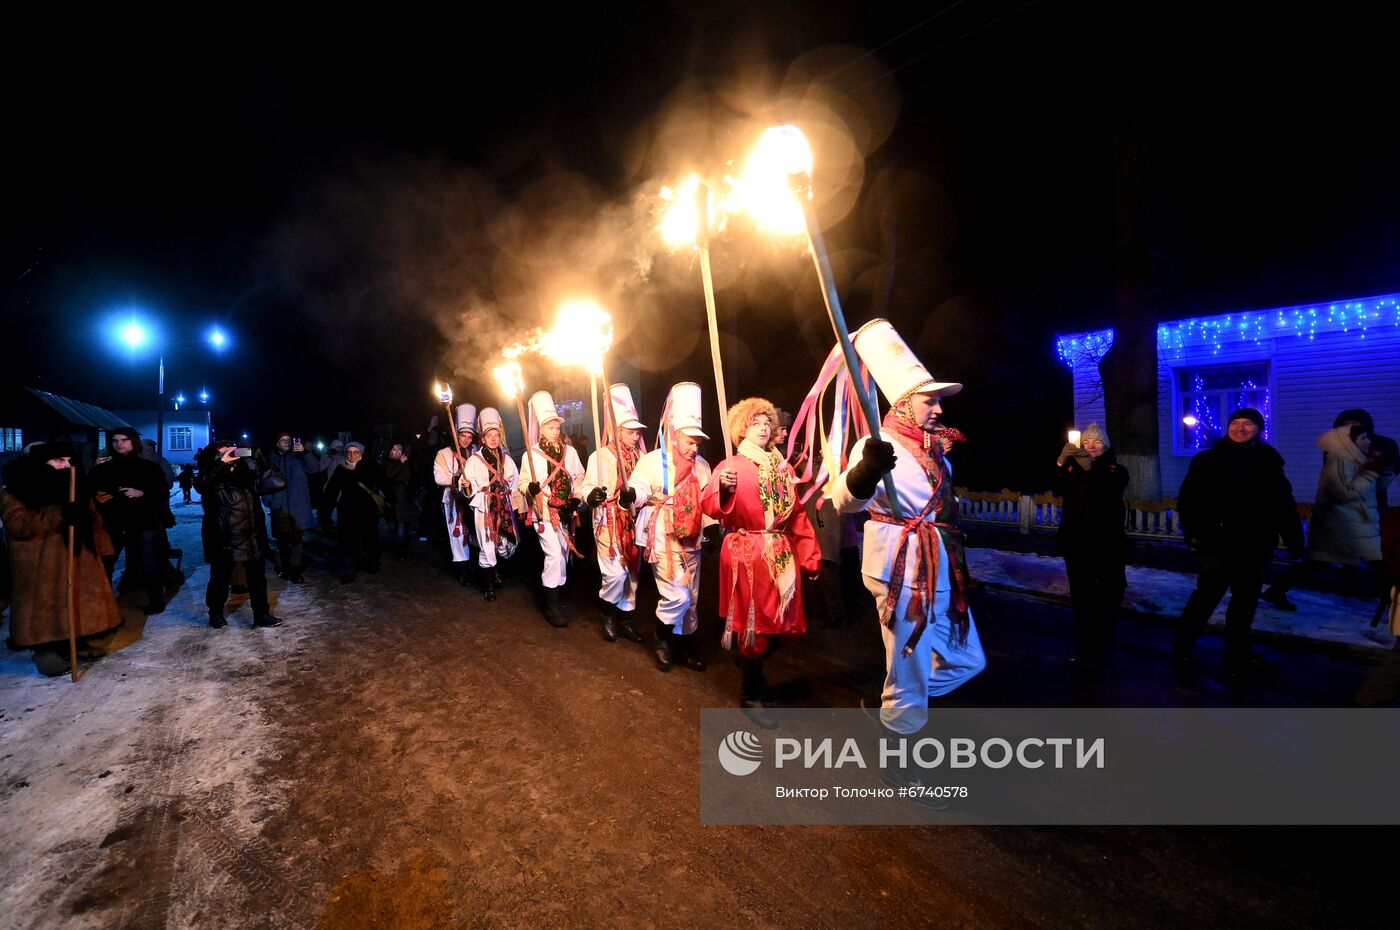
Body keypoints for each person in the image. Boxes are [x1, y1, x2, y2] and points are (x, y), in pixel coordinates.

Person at [830, 320, 984, 734]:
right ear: (903, 405)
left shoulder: (940, 455)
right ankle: (902, 744)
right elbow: (844, 501)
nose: (939, 409)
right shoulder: (879, 446)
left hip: (939, 567)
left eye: (938, 401)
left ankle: (896, 701)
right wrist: (867, 469)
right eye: (929, 401)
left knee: (969, 659)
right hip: (900, 570)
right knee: (910, 666)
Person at [702, 397, 822, 706]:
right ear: (742, 429)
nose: (763, 428)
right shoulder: (730, 467)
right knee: (754, 624)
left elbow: (796, 514)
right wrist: (725, 489)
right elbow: (711, 507)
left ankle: (747, 661)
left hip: (780, 552)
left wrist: (810, 557)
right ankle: (751, 690)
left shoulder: (779, 468)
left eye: (767, 423)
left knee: (789, 624)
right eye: (755, 423)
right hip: (747, 553)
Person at [1171, 407, 1304, 678]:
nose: (1240, 428)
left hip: (1254, 545)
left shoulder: (1268, 460)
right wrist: (1194, 533)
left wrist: (1294, 539)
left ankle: (1238, 655)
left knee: (1245, 603)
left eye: (1248, 424)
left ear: (1259, 428)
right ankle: (1180, 650)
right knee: (1206, 598)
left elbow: (1283, 503)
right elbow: (1189, 500)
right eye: (1235, 423)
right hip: (1218, 544)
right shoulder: (1209, 459)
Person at [1, 442, 122, 676]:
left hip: (76, 557)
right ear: (42, 464)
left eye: (68, 460)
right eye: (59, 461)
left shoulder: (75, 486)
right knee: (44, 607)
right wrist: (60, 513)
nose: (66, 465)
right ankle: (44, 649)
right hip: (39, 563)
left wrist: (86, 517)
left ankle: (75, 640)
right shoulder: (16, 489)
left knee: (76, 600)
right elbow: (19, 524)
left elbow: (94, 518)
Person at [626, 382, 713, 671]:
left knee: (693, 595)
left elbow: (708, 499)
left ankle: (687, 642)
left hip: (692, 538)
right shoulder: (654, 460)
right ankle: (662, 637)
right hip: (662, 533)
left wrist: (712, 525)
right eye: (690, 441)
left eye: (698, 443)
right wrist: (632, 494)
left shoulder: (703, 465)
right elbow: (638, 487)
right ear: (676, 437)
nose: (694, 448)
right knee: (676, 592)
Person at [1262, 423, 1387, 611]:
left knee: (1317, 563)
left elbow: (1371, 489)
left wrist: (1383, 471)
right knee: (1381, 564)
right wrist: (1371, 472)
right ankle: (1393, 605)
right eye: (1363, 438)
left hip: (1352, 523)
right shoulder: (1339, 464)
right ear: (1349, 443)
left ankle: (1277, 590)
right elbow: (1345, 494)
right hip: (1339, 524)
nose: (1369, 442)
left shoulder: (1355, 460)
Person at [1053, 423, 1130, 665]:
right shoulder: (1071, 469)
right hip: (1077, 542)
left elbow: (1111, 487)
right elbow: (1056, 484)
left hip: (1109, 543)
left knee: (1112, 589)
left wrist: (1091, 468)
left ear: (1105, 446)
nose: (1091, 446)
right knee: (1082, 592)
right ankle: (1085, 640)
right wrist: (1061, 461)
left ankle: (1104, 632)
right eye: (1086, 442)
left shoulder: (1116, 469)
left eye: (1096, 442)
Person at [578, 384, 648, 643]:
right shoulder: (600, 455)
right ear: (618, 431)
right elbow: (586, 486)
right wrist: (591, 495)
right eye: (630, 432)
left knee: (632, 571)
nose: (634, 436)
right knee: (615, 572)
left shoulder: (643, 457)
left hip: (634, 521)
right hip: (608, 522)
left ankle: (626, 618)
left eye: (636, 432)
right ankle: (607, 612)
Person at [195, 440, 285, 629]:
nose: (227, 455)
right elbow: (201, 486)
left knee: (257, 579)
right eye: (221, 453)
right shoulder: (209, 475)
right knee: (219, 578)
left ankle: (261, 615)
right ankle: (215, 614)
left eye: (230, 452)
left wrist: (261, 460)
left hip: (252, 534)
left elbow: (278, 482)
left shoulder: (247, 473)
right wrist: (221, 463)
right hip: (223, 536)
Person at [89, 427, 174, 614]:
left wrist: (143, 493)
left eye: (124, 440)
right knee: (106, 563)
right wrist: (97, 498)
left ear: (133, 442)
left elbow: (161, 492)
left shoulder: (149, 467)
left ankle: (156, 601)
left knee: (148, 561)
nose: (119, 444)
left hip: (142, 521)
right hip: (112, 522)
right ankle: (104, 605)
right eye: (115, 441)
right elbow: (90, 490)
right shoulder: (102, 469)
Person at [519, 391, 585, 627]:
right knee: (554, 554)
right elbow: (522, 482)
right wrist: (531, 488)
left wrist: (577, 498)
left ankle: (558, 592)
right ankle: (551, 604)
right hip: (543, 512)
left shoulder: (571, 452)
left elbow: (579, 479)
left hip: (566, 511)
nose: (555, 431)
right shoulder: (531, 453)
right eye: (550, 427)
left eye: (557, 427)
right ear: (542, 429)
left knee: (564, 554)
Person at [463, 407, 519, 601]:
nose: (494, 439)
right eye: (489, 435)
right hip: (485, 506)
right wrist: (466, 486)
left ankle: (494, 570)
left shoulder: (508, 460)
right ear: (483, 438)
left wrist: (512, 502)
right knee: (487, 544)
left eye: (497, 435)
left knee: (503, 543)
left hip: (503, 505)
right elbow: (467, 491)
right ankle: (488, 585)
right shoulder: (474, 460)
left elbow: (514, 483)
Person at [262, 431, 324, 582]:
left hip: (299, 507)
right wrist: (268, 501)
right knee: (282, 540)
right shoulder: (270, 460)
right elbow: (265, 482)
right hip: (279, 506)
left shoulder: (299, 458)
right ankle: (285, 568)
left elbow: (315, 468)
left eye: (289, 440)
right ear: (277, 443)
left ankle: (295, 570)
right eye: (283, 440)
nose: (286, 442)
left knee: (297, 540)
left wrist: (305, 453)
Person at [323, 441, 386, 583]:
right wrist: (326, 511)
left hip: (368, 511)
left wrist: (390, 498)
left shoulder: (371, 467)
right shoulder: (341, 469)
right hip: (347, 512)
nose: (352, 455)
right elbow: (331, 492)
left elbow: (384, 482)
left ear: (361, 453)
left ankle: (373, 563)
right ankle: (348, 572)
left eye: (356, 452)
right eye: (349, 452)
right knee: (346, 543)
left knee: (370, 539)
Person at [432, 405, 479, 585]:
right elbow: (439, 477)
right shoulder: (442, 454)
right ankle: (462, 570)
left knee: (474, 532)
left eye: (469, 437)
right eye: (463, 436)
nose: (466, 440)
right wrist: (457, 476)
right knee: (457, 534)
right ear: (456, 435)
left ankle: (474, 565)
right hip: (453, 500)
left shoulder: (476, 453)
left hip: (473, 498)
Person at [383, 441, 420, 560]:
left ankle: (405, 548)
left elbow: (414, 475)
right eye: (394, 449)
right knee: (400, 525)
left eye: (399, 449)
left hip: (408, 497)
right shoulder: (388, 463)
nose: (397, 451)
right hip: (397, 497)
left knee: (408, 525)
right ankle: (400, 551)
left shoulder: (407, 461)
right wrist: (400, 463)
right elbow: (389, 476)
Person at [317, 439, 347, 532]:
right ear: (334, 448)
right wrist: (329, 457)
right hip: (330, 485)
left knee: (341, 507)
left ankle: (341, 524)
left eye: (342, 446)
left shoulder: (344, 457)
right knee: (328, 506)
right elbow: (321, 467)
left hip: (343, 486)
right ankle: (325, 523)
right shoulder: (329, 456)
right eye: (338, 447)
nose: (340, 448)